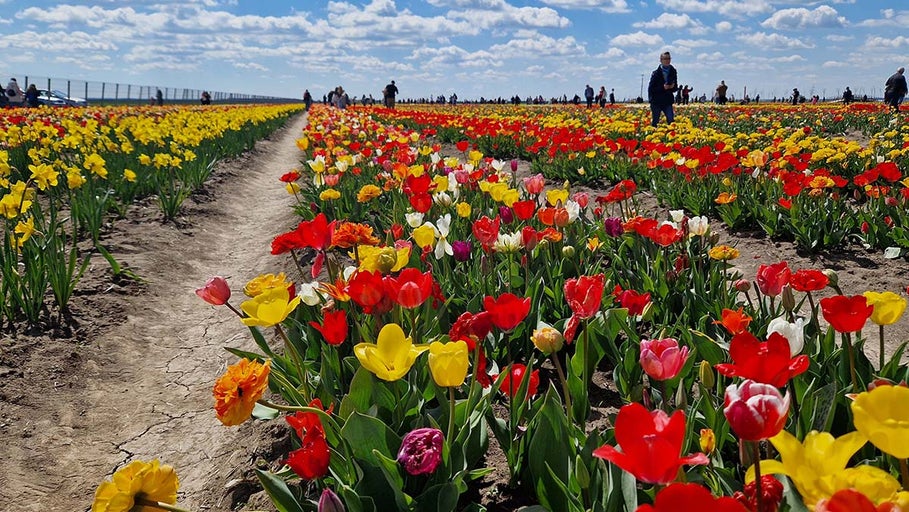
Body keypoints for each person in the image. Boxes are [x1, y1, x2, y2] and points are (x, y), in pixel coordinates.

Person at [647, 51, 678, 127]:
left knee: (671, 121)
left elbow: (675, 87)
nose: (667, 60)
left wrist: (672, 87)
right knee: (655, 122)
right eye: (665, 59)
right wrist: (663, 88)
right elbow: (651, 89)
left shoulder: (673, 71)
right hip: (656, 101)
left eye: (669, 58)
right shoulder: (656, 73)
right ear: (661, 60)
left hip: (667, 101)